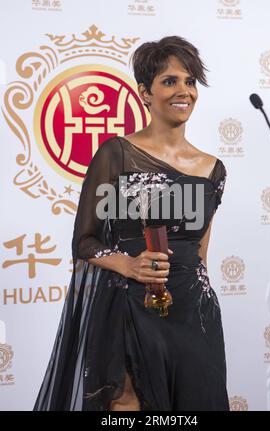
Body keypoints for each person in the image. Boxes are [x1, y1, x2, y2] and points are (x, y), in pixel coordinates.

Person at [33, 35, 229, 411]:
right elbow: (83, 240)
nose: (183, 91)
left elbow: (200, 254)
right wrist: (128, 264)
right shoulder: (116, 154)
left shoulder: (213, 170)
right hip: (130, 308)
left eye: (190, 81)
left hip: (194, 314)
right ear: (144, 93)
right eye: (169, 81)